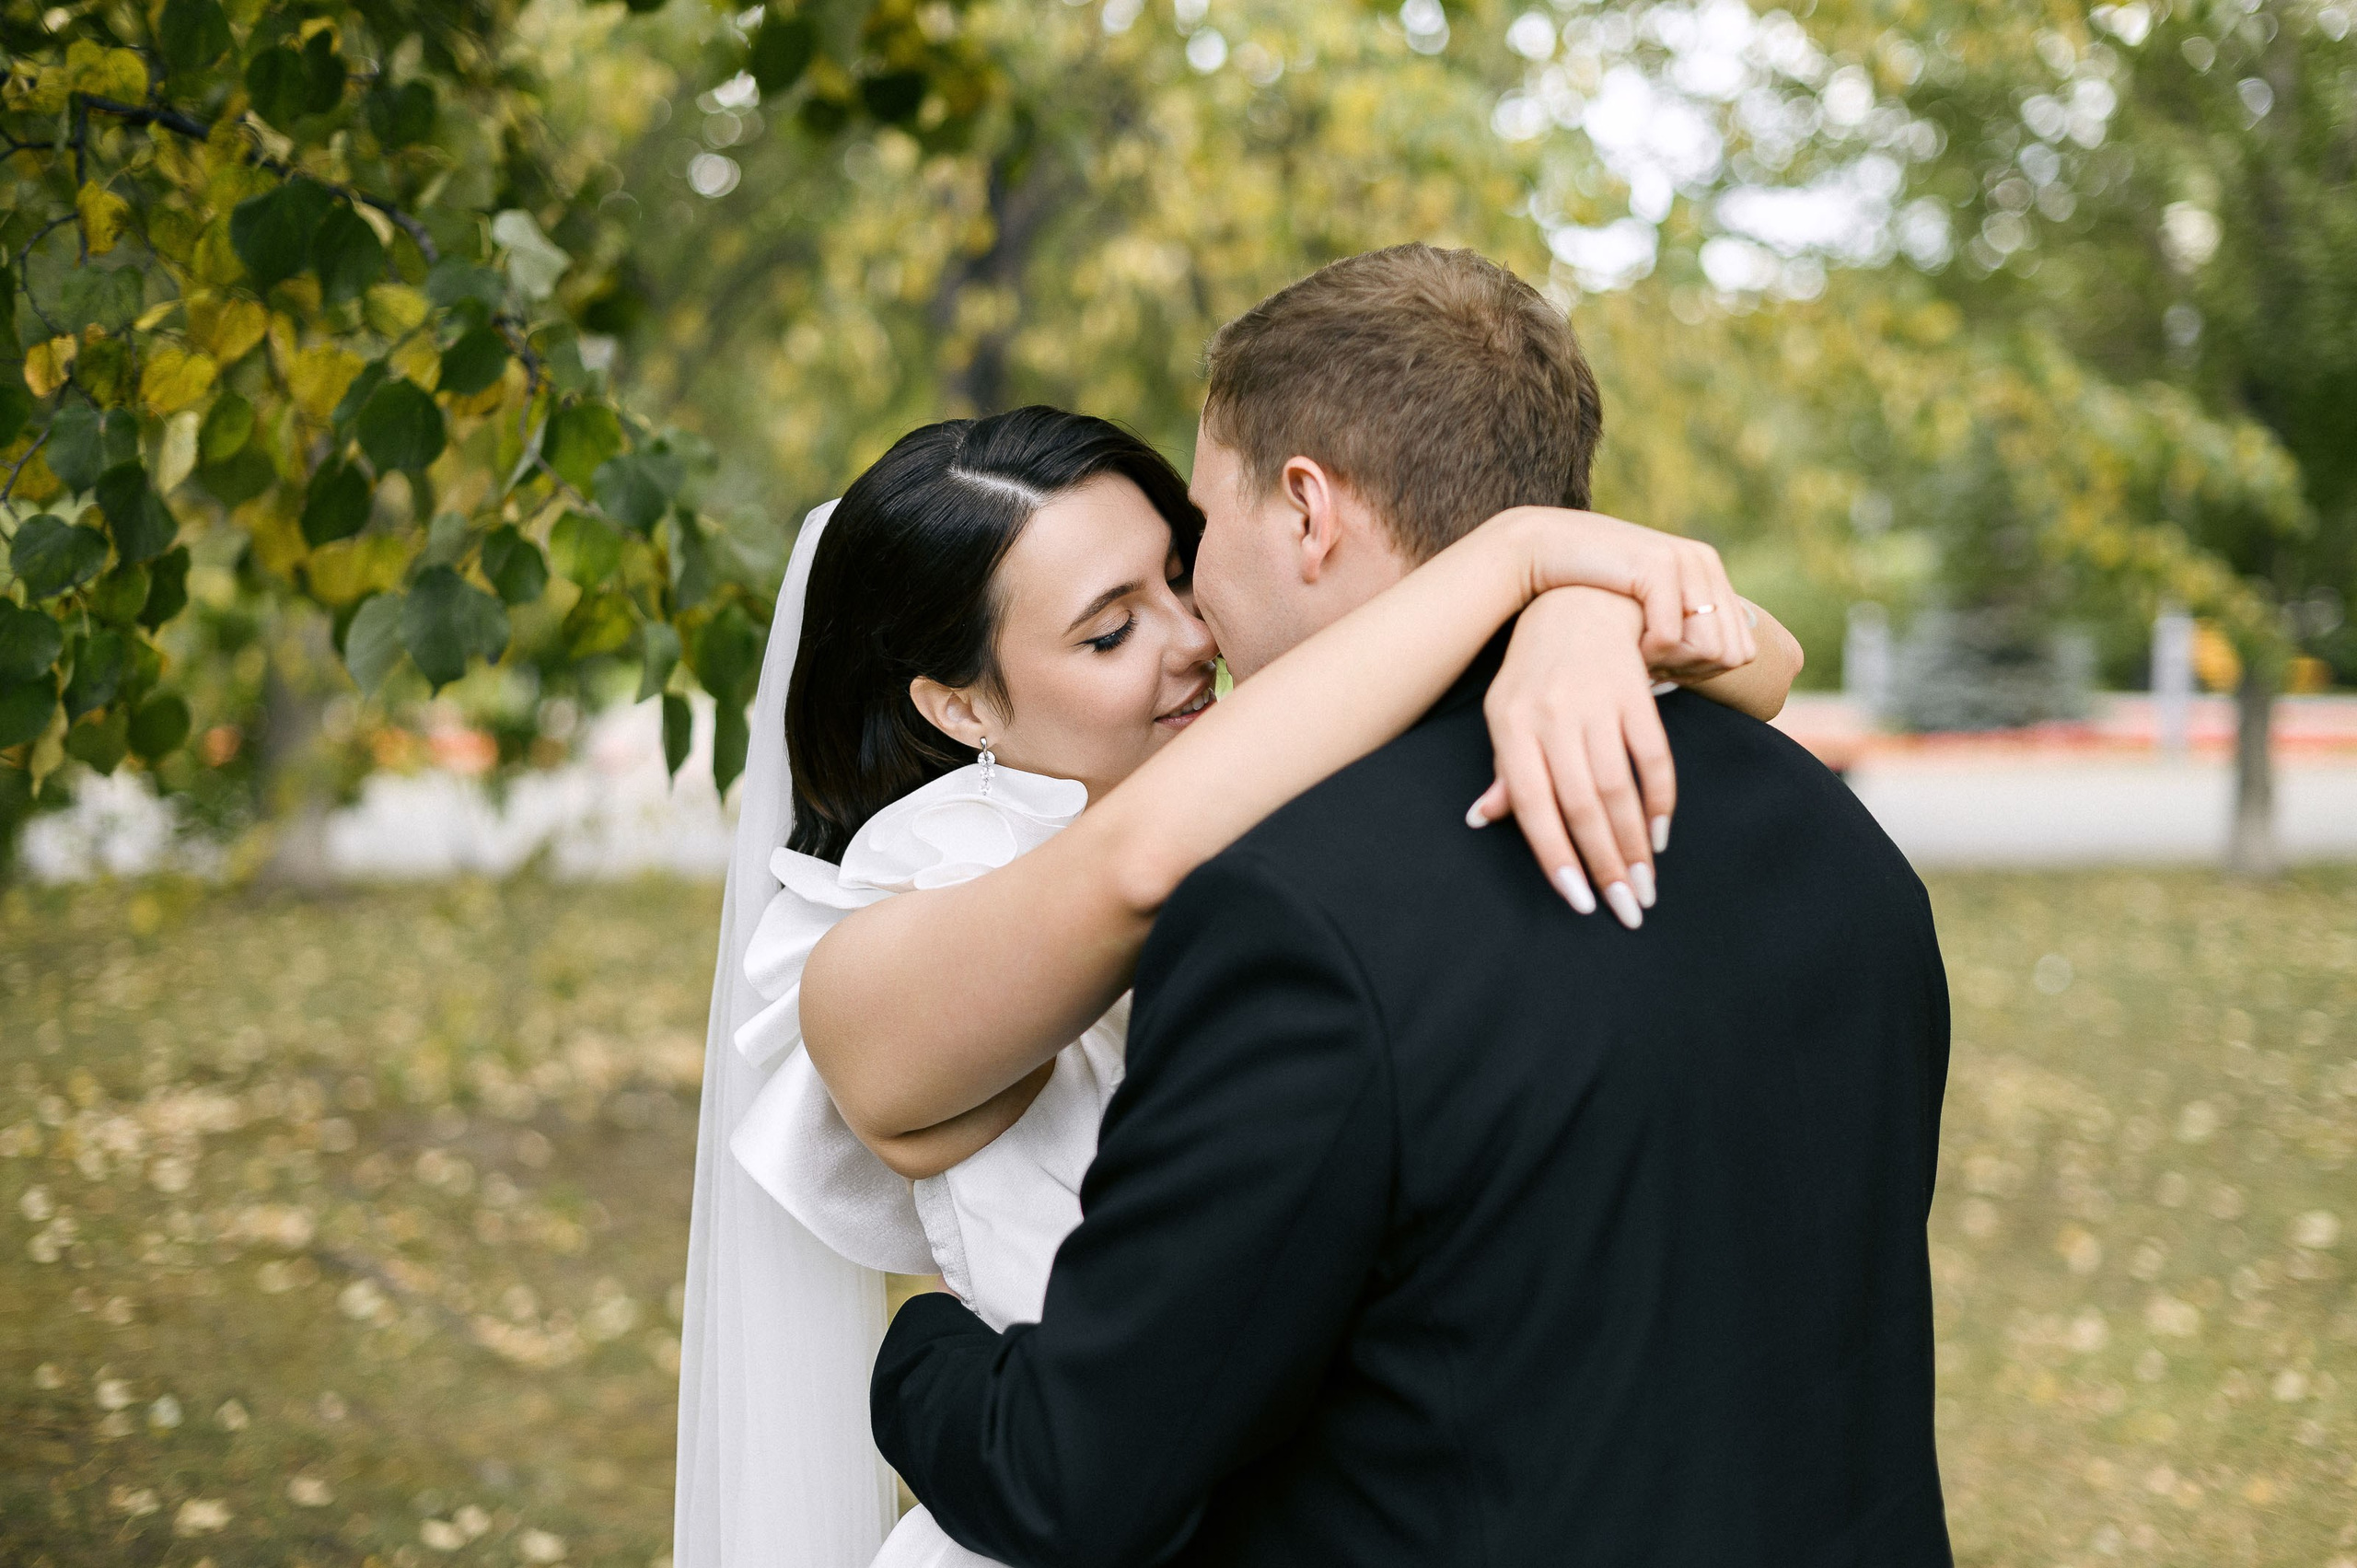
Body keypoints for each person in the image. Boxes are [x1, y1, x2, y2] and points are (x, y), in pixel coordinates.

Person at [677, 258, 1809, 1565]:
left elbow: (1763, 659)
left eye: (1181, 572)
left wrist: (1577, 622)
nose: (1192, 633)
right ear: (961, 705)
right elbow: (1133, 866)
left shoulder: (1275, 788)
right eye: (1109, 633)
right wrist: (1520, 559)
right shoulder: (881, 946)